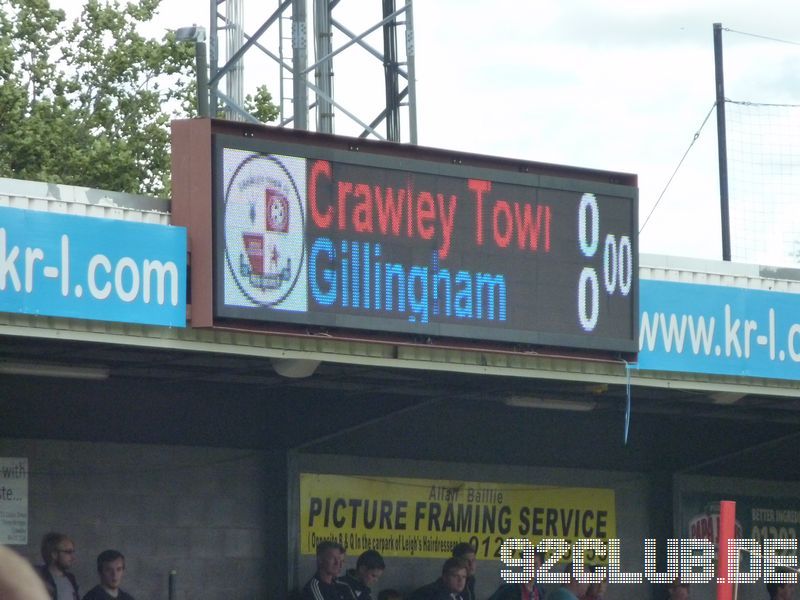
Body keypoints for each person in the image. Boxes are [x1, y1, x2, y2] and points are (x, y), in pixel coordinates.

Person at [35, 532, 79, 600]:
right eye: (68, 552)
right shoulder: (39, 579)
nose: (73, 557)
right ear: (54, 554)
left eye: (73, 552)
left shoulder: (71, 578)